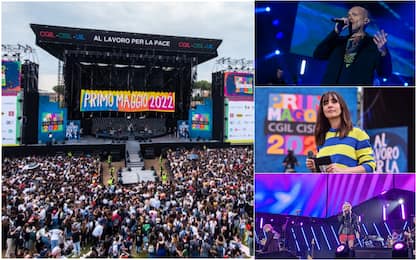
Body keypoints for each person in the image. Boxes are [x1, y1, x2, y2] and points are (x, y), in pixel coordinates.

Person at [313, 6, 392, 85]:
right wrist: (335, 32)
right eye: (348, 15)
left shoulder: (374, 44)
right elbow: (318, 55)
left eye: (354, 15)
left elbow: (385, 73)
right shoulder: (339, 41)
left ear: (366, 21)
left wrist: (383, 52)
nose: (349, 18)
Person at [306, 91, 375, 173]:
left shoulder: (358, 133)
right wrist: (315, 168)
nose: (330, 105)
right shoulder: (322, 136)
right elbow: (324, 172)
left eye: (334, 101)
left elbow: (370, 166)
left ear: (342, 107)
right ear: (322, 110)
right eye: (325, 103)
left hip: (348, 185)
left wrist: (343, 171)